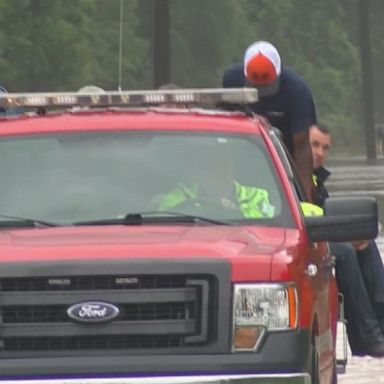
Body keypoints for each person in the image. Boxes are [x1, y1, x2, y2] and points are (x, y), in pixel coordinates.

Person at [310, 122, 384, 356]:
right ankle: (367, 337)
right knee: (345, 250)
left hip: (317, 237)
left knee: (365, 241)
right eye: (315, 145)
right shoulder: (294, 174)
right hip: (301, 241)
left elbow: (327, 215)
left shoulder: (316, 182)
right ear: (303, 145)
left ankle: (380, 326)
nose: (320, 152)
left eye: (325, 147)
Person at [222, 41, 315, 202]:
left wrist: (304, 199)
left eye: (266, 86)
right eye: (256, 85)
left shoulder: (297, 91)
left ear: (278, 74)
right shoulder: (232, 80)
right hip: (243, 156)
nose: (261, 92)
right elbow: (225, 136)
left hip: (286, 160)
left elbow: (302, 147)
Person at [159, 145, 275, 219]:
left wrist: (233, 212)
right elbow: (162, 218)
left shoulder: (257, 195)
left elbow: (269, 224)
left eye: (224, 165)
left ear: (232, 169)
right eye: (213, 167)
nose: (220, 172)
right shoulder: (181, 194)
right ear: (201, 172)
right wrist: (210, 209)